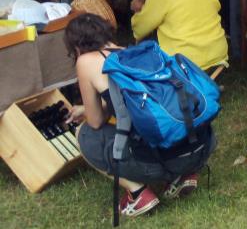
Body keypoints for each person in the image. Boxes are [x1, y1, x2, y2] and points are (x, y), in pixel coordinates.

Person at [66, 13, 215, 218]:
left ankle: (138, 193)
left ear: (76, 44)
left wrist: (86, 110)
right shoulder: (131, 52)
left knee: (85, 134)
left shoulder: (85, 61)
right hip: (199, 148)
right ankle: (182, 176)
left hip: (158, 163)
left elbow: (96, 120)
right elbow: (124, 101)